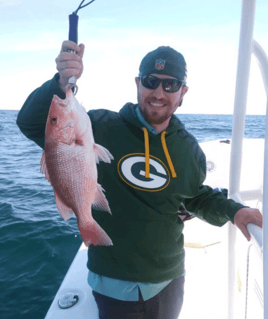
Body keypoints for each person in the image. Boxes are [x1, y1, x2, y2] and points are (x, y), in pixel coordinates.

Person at [16, 41, 263, 319]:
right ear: (137, 83)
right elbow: (31, 123)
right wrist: (61, 81)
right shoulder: (99, 127)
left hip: (168, 278)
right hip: (112, 282)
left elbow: (196, 198)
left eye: (170, 85)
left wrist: (235, 211)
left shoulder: (188, 149)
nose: (159, 92)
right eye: (151, 81)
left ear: (183, 92)